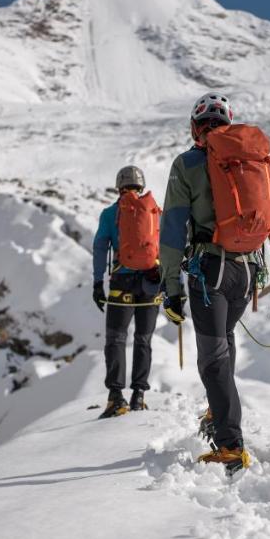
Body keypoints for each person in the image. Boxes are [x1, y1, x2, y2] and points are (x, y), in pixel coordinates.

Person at [159, 93, 270, 472]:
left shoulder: (188, 164)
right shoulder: (254, 162)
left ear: (196, 128)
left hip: (209, 273)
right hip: (249, 273)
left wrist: (169, 286)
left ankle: (230, 445)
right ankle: (219, 414)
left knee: (213, 358)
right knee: (224, 344)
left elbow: (171, 230)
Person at [92, 166, 161, 418]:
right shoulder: (154, 212)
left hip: (122, 283)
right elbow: (165, 247)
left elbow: (100, 247)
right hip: (151, 285)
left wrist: (97, 283)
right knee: (144, 340)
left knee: (116, 338)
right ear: (141, 186)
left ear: (119, 186)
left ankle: (116, 397)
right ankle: (139, 395)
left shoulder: (111, 214)